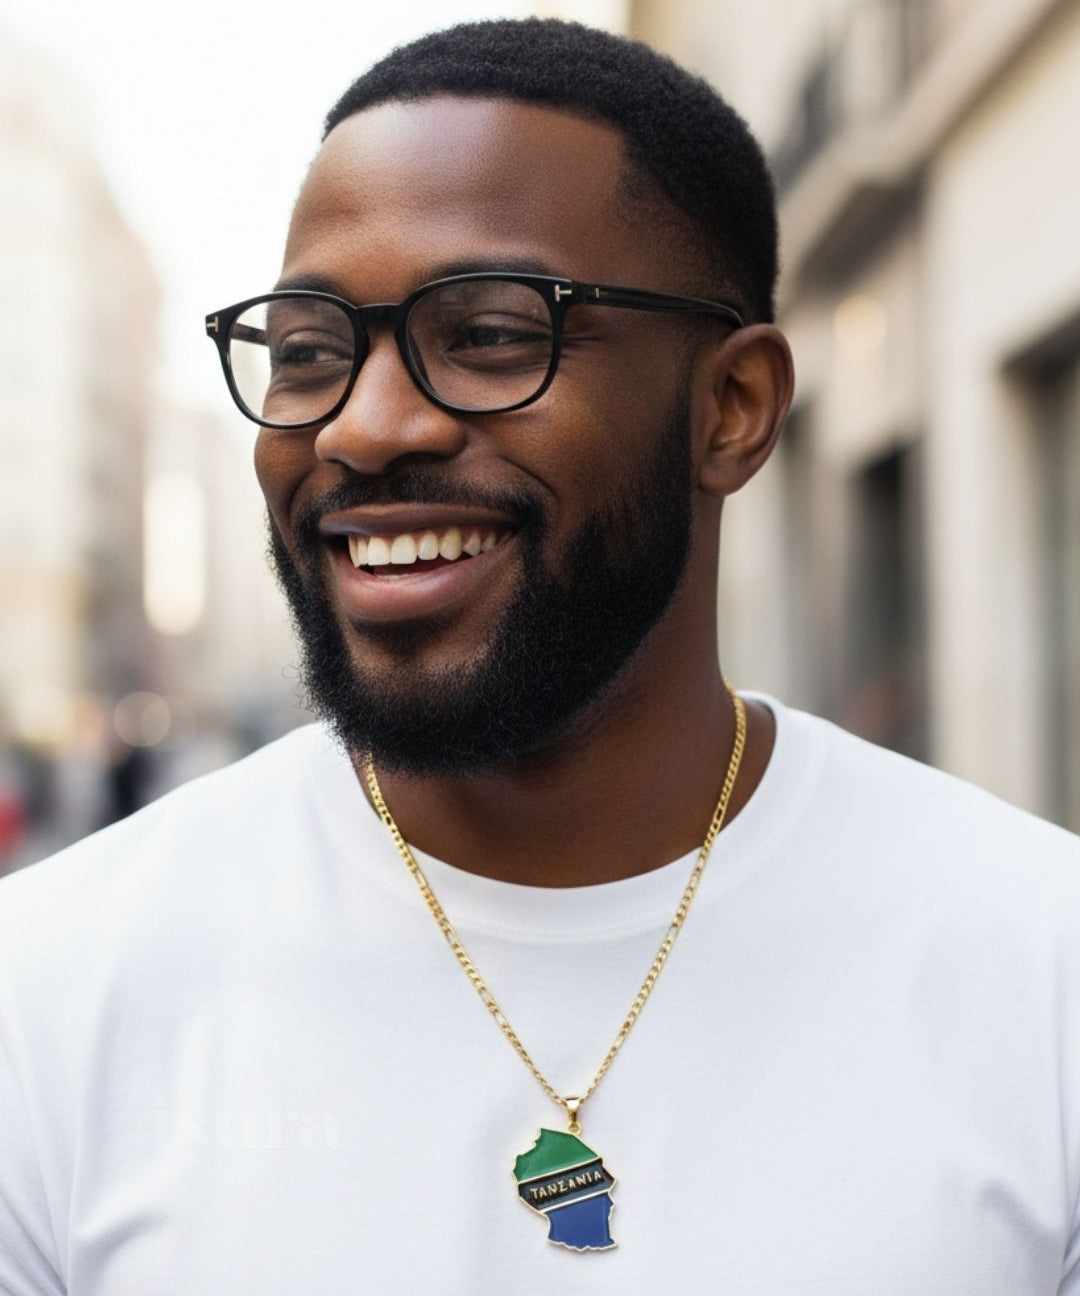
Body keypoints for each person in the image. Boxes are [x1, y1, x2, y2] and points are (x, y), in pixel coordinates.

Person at [1, 18, 1078, 1294]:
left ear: (731, 410)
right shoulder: (51, 989)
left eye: (494, 334)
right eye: (305, 354)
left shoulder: (1039, 963)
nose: (365, 424)